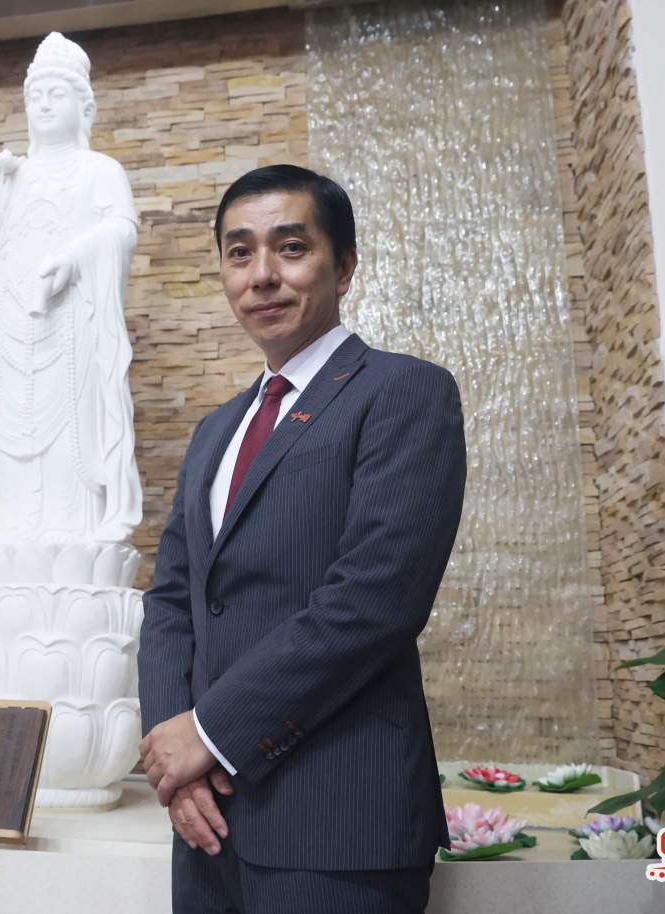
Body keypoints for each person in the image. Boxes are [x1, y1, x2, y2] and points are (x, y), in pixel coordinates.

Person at [138, 164, 466, 913]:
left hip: (338, 824)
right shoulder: (217, 430)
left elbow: (374, 601)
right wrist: (172, 756)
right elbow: (172, 600)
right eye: (239, 252)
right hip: (207, 822)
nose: (262, 275)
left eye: (290, 248)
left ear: (343, 267)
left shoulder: (403, 392)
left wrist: (208, 733)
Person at [0, 32, 142, 547]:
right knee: (10, 426)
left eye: (57, 95)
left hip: (70, 324)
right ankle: (7, 527)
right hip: (10, 324)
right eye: (36, 96)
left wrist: (74, 257)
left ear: (85, 108)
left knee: (70, 431)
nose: (45, 105)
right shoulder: (12, 176)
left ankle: (73, 529)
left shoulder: (100, 170)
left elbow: (122, 230)